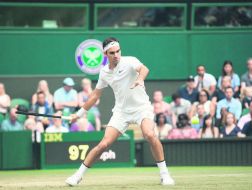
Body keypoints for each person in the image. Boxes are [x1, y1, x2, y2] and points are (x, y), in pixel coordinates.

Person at [65, 37, 175, 186]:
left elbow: (144, 69)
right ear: (105, 54)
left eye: (118, 51)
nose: (116, 55)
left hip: (141, 108)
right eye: (112, 53)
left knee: (149, 134)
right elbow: (95, 96)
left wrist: (140, 79)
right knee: (103, 144)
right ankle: (77, 176)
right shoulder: (104, 72)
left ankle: (164, 174)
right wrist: (78, 115)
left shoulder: (129, 61)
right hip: (121, 112)